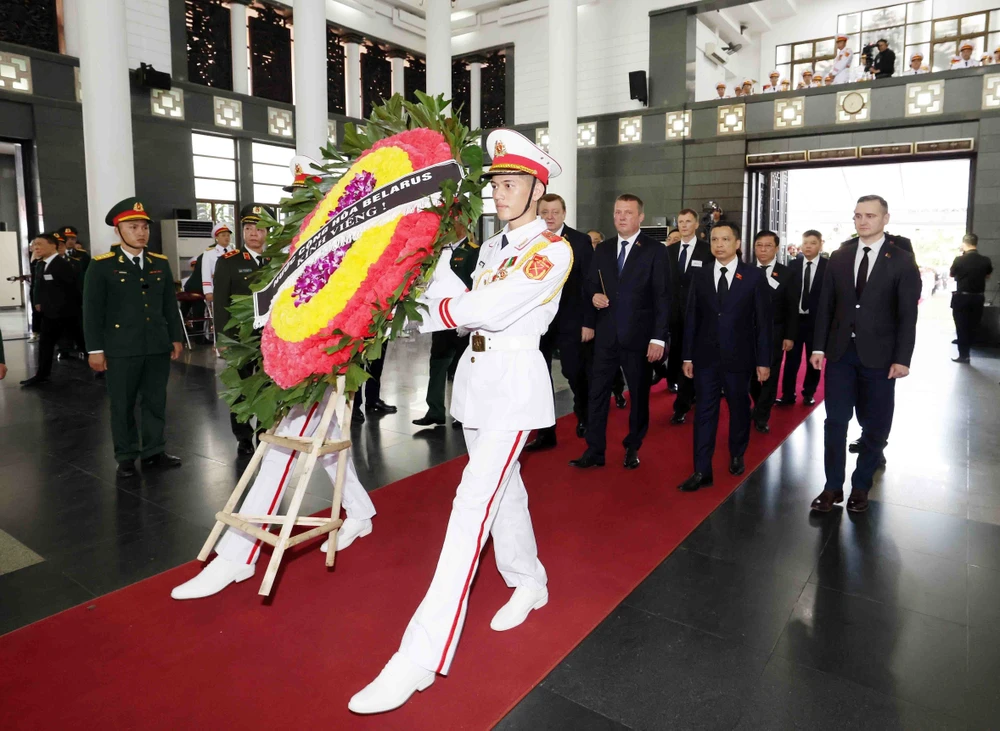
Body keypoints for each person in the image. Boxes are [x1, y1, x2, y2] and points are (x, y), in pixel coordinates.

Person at [347, 129, 569, 715]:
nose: (499, 190)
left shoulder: (552, 250)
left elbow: (482, 311)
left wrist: (443, 309)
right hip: (477, 390)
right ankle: (529, 580)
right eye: (495, 181)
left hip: (515, 395)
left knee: (471, 506)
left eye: (512, 182)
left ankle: (420, 656)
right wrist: (430, 249)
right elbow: (457, 298)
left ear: (537, 189)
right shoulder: (495, 248)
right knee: (507, 495)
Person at [809, 195, 921, 514]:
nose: (863, 221)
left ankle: (861, 485)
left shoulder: (900, 259)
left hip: (882, 357)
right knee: (835, 421)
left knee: (875, 425)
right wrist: (818, 347)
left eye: (870, 216)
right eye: (858, 215)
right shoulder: (841, 256)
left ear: (885, 218)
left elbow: (907, 316)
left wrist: (903, 358)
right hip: (841, 354)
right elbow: (826, 307)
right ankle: (833, 487)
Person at [83, 197, 185, 479]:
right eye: (133, 227)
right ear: (118, 230)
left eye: (144, 227)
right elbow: (92, 312)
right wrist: (95, 350)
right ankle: (126, 455)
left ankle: (154, 451)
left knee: (155, 401)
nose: (141, 233)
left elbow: (168, 305)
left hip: (155, 344)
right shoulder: (101, 266)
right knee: (122, 403)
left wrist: (175, 338)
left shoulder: (159, 263)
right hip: (120, 347)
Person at [571, 194, 669, 471]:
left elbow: (663, 296)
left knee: (638, 395)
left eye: (628, 212)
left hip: (640, 338)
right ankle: (595, 449)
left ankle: (633, 446)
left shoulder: (654, 250)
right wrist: (594, 298)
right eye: (617, 212)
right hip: (606, 335)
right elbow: (588, 285)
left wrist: (658, 338)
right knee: (597, 393)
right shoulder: (602, 249)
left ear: (640, 218)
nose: (622, 217)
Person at [678, 222, 771, 492]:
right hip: (705, 357)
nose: (719, 245)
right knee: (705, 412)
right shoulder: (702, 274)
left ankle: (737, 452)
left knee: (739, 408)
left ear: (737, 244)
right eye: (715, 240)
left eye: (725, 239)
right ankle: (701, 470)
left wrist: (763, 361)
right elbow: (692, 317)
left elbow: (763, 323)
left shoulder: (753, 276)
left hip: (739, 358)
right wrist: (687, 356)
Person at [526, 193, 595, 450]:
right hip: (538, 322)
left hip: (571, 320)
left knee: (574, 371)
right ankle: (546, 433)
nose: (550, 217)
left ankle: (585, 414)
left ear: (564, 214)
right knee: (540, 377)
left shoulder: (580, 241)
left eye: (555, 212)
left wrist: (589, 322)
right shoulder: (530, 241)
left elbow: (589, 283)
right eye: (545, 212)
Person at [213, 204, 273, 455]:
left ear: (268, 232)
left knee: (268, 386)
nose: (253, 233)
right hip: (240, 337)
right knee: (241, 387)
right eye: (248, 228)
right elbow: (220, 301)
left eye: (258, 229)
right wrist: (223, 338)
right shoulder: (229, 261)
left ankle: (264, 430)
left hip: (269, 337)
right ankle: (243, 435)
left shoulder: (275, 260)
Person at [413, 229, 479, 428]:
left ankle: (464, 413)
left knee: (464, 367)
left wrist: (469, 319)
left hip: (462, 318)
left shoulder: (474, 250)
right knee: (438, 363)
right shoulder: (437, 251)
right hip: (440, 316)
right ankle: (435, 410)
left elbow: (477, 285)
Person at [19, 233, 84, 387]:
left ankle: (103, 369)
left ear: (53, 245)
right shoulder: (41, 264)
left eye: (40, 244)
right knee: (45, 343)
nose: (36, 247)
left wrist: (68, 309)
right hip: (51, 313)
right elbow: (40, 287)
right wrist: (39, 303)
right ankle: (42, 374)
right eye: (35, 244)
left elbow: (73, 289)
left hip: (67, 313)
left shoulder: (62, 265)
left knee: (82, 341)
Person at [749, 231, 797, 434]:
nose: (763, 249)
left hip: (775, 332)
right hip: (748, 333)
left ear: (776, 248)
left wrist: (789, 335)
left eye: (768, 246)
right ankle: (759, 402)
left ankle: (762, 414)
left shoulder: (787, 274)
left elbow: (792, 307)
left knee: (771, 372)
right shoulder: (746, 271)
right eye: (759, 245)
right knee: (751, 374)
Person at [667, 208, 712, 423]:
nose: (683, 225)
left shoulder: (707, 251)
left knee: (695, 357)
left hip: (700, 316)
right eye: (680, 221)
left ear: (696, 225)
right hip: (674, 316)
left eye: (688, 221)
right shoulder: (669, 251)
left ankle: (684, 403)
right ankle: (684, 397)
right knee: (678, 357)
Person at [781, 230, 827, 406]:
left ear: (820, 244)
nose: (808, 246)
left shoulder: (828, 266)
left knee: (813, 360)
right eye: (805, 242)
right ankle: (787, 394)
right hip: (795, 321)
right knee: (791, 360)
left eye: (813, 243)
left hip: (816, 323)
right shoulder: (792, 265)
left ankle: (809, 392)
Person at [950, 233, 993, 364]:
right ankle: (968, 349)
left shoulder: (959, 259)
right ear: (976, 243)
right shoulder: (985, 260)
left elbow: (952, 274)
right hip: (978, 298)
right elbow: (988, 276)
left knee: (961, 326)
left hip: (962, 298)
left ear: (964, 244)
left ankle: (964, 355)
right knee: (973, 325)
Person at [201, 222, 233, 305]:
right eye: (223, 235)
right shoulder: (209, 253)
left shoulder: (235, 252)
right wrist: (208, 291)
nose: (226, 238)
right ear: (216, 237)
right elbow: (206, 273)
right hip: (217, 288)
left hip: (233, 289)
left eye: (228, 235)